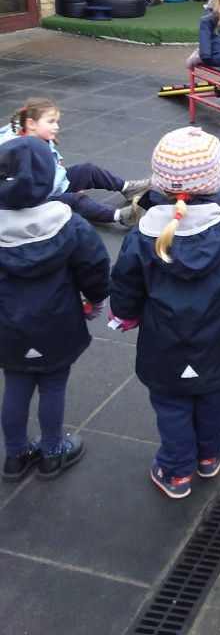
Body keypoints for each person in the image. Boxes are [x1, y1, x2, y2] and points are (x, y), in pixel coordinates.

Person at [108, 126, 220, 500]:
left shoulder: (142, 235)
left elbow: (126, 283)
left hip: (164, 347)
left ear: (160, 183)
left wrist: (126, 315)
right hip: (218, 344)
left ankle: (176, 471)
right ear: (214, 179)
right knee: (216, 399)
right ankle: (210, 454)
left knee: (172, 407)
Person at [0, 136, 111, 483]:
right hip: (57, 323)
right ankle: (51, 452)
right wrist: (95, 300)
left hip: (8, 327)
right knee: (52, 385)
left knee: (15, 386)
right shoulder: (70, 224)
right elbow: (94, 267)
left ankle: (15, 455)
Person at [0, 98, 152, 227]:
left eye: (57, 121)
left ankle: (127, 188)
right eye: (51, 122)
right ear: (31, 123)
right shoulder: (14, 149)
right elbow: (19, 186)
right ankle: (121, 216)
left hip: (52, 183)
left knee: (87, 170)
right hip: (33, 199)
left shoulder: (39, 136)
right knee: (74, 200)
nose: (56, 126)